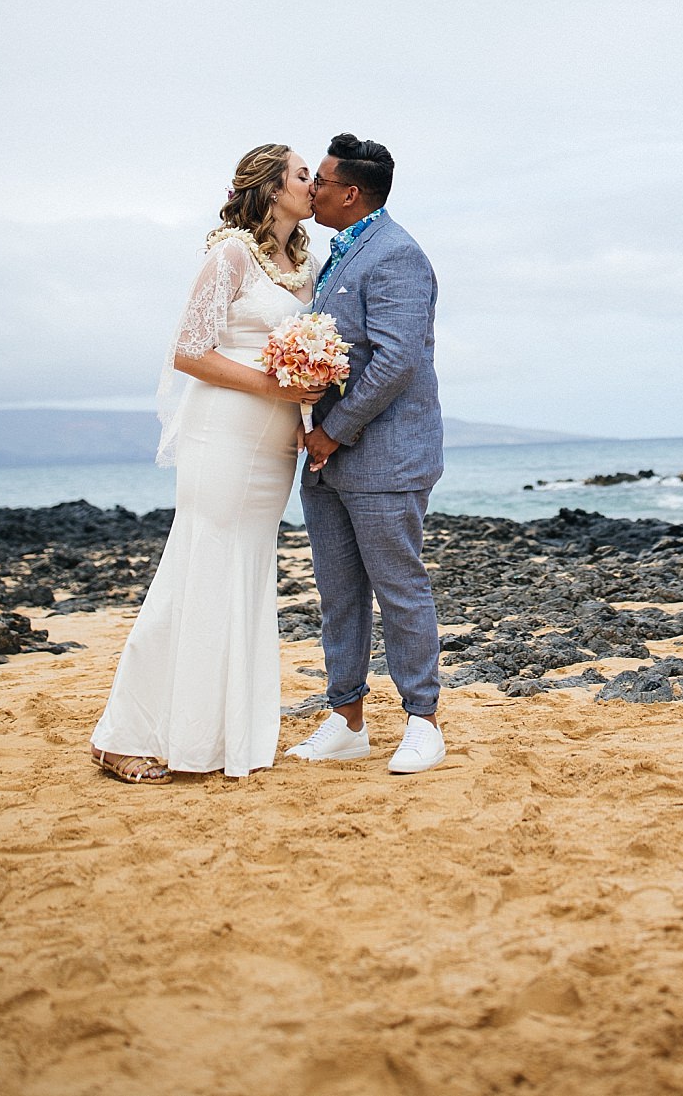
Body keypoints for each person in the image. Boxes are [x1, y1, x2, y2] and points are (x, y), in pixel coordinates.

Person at [88, 145, 325, 782]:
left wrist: (305, 413)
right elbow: (189, 352)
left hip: (274, 441)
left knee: (245, 573)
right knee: (198, 567)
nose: (316, 183)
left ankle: (218, 734)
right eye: (304, 175)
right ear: (273, 189)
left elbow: (300, 352)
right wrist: (276, 387)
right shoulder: (230, 255)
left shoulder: (303, 266)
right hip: (222, 434)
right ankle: (121, 734)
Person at [286, 133, 447, 775]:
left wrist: (334, 429)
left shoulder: (397, 255)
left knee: (399, 589)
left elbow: (397, 359)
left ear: (351, 193)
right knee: (338, 593)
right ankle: (347, 719)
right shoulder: (337, 253)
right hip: (327, 459)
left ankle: (423, 723)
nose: (312, 190)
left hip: (384, 459)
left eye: (320, 181)